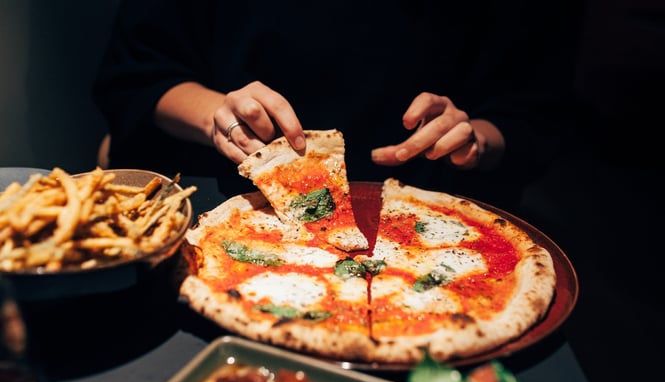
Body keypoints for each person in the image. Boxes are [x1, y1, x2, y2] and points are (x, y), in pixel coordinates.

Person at [93, 0, 580, 212]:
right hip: (224, 192)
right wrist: (219, 115)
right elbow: (137, 76)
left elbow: (534, 113)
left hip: (434, 211)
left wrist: (473, 138)